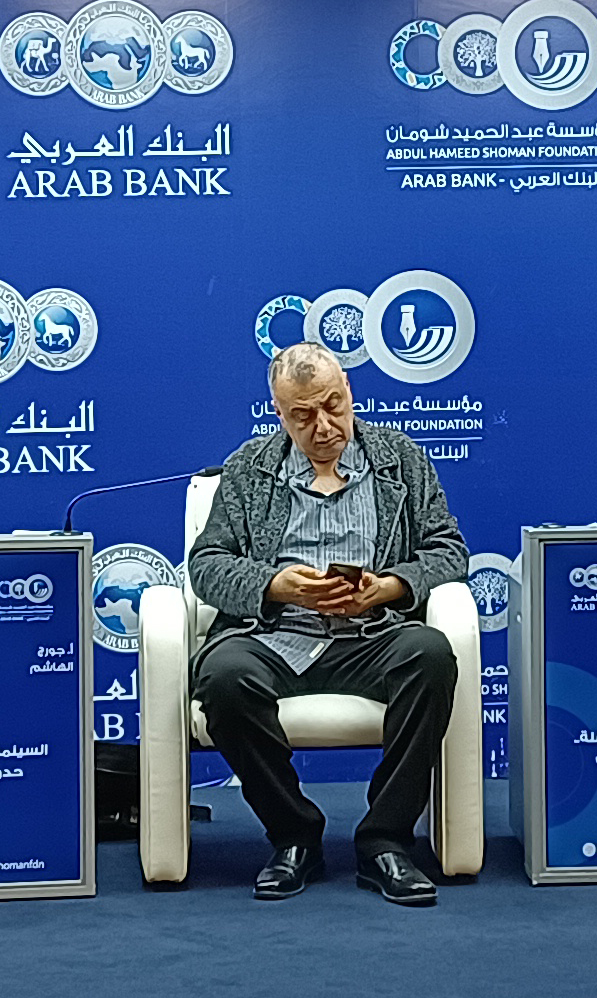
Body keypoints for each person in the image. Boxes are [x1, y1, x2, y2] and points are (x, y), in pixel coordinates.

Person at [189, 344, 469, 906]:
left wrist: (391, 586)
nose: (323, 427)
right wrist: (275, 585)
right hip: (272, 636)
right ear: (278, 413)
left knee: (431, 655)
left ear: (349, 393)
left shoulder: (399, 459)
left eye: (333, 406)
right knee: (224, 677)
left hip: (372, 635)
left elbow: (448, 549)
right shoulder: (249, 469)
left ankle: (386, 841)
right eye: (303, 415)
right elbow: (208, 564)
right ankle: (294, 836)